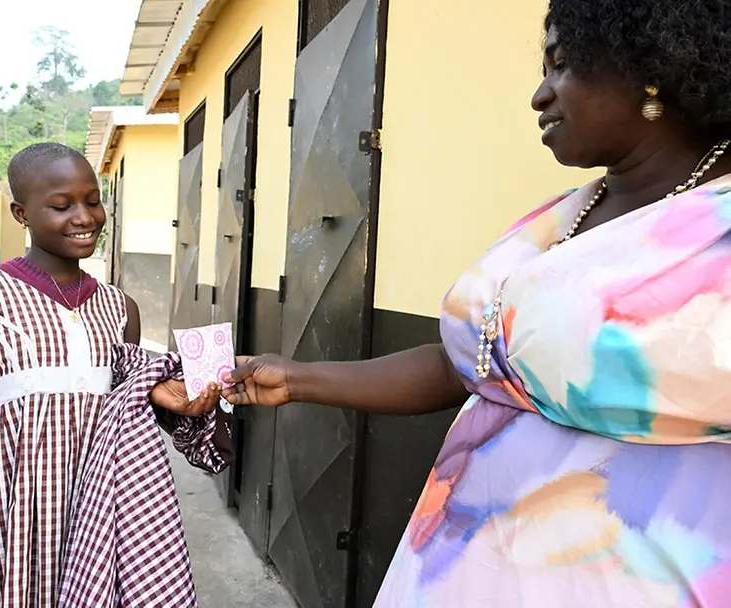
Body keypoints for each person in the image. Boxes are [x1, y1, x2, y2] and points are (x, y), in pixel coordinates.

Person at [222, 1, 731, 605]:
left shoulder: (714, 231)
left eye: (562, 65)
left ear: (651, 66)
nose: (539, 95)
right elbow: (471, 367)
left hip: (625, 576)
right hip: (463, 567)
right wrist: (299, 378)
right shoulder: (561, 217)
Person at [0, 143, 220, 607]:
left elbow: (129, 411)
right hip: (11, 536)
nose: (84, 217)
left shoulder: (119, 308)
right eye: (62, 206)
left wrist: (184, 402)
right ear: (21, 213)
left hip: (101, 534)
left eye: (93, 200)